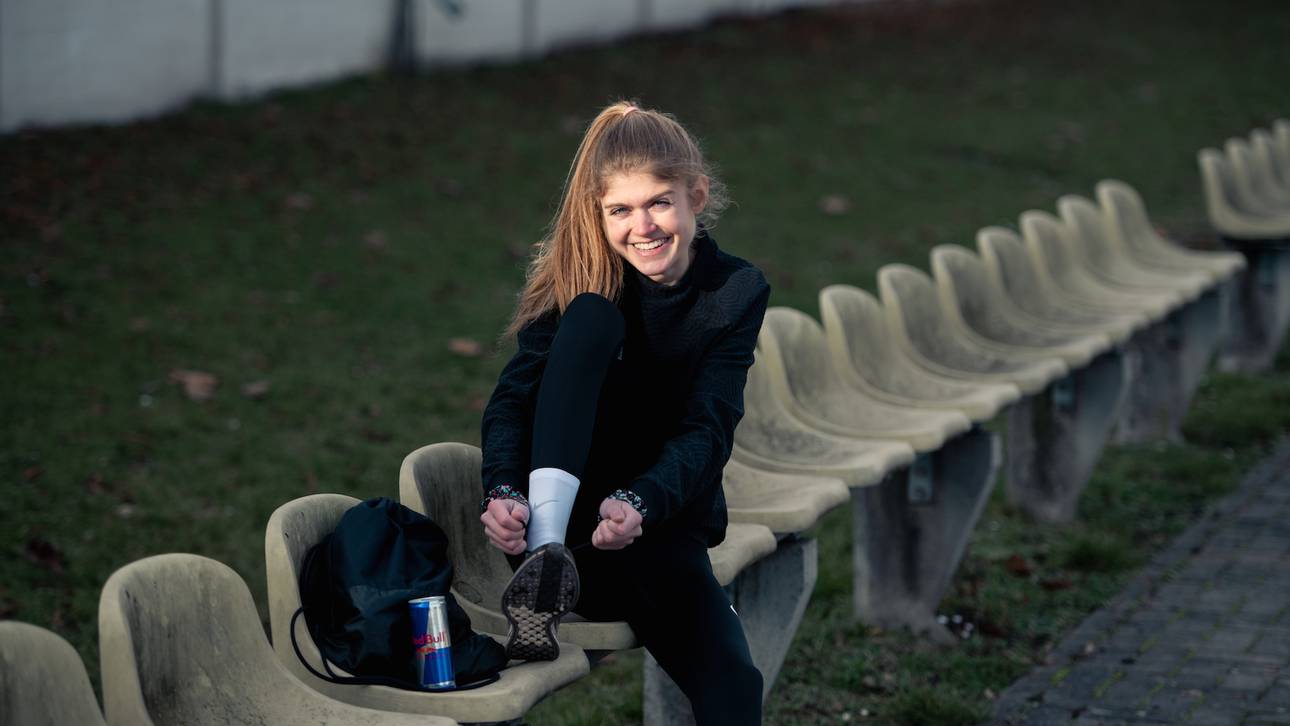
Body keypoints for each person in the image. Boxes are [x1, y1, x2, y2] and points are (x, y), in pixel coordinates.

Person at [478, 100, 769, 724]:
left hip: (652, 525)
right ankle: (543, 566)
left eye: (660, 201)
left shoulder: (734, 291)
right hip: (560, 524)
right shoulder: (580, 278)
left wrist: (642, 501)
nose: (644, 226)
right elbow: (511, 404)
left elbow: (709, 425)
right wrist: (502, 490)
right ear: (601, 215)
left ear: (696, 195)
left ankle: (561, 563)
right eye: (621, 210)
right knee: (591, 316)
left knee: (735, 684)